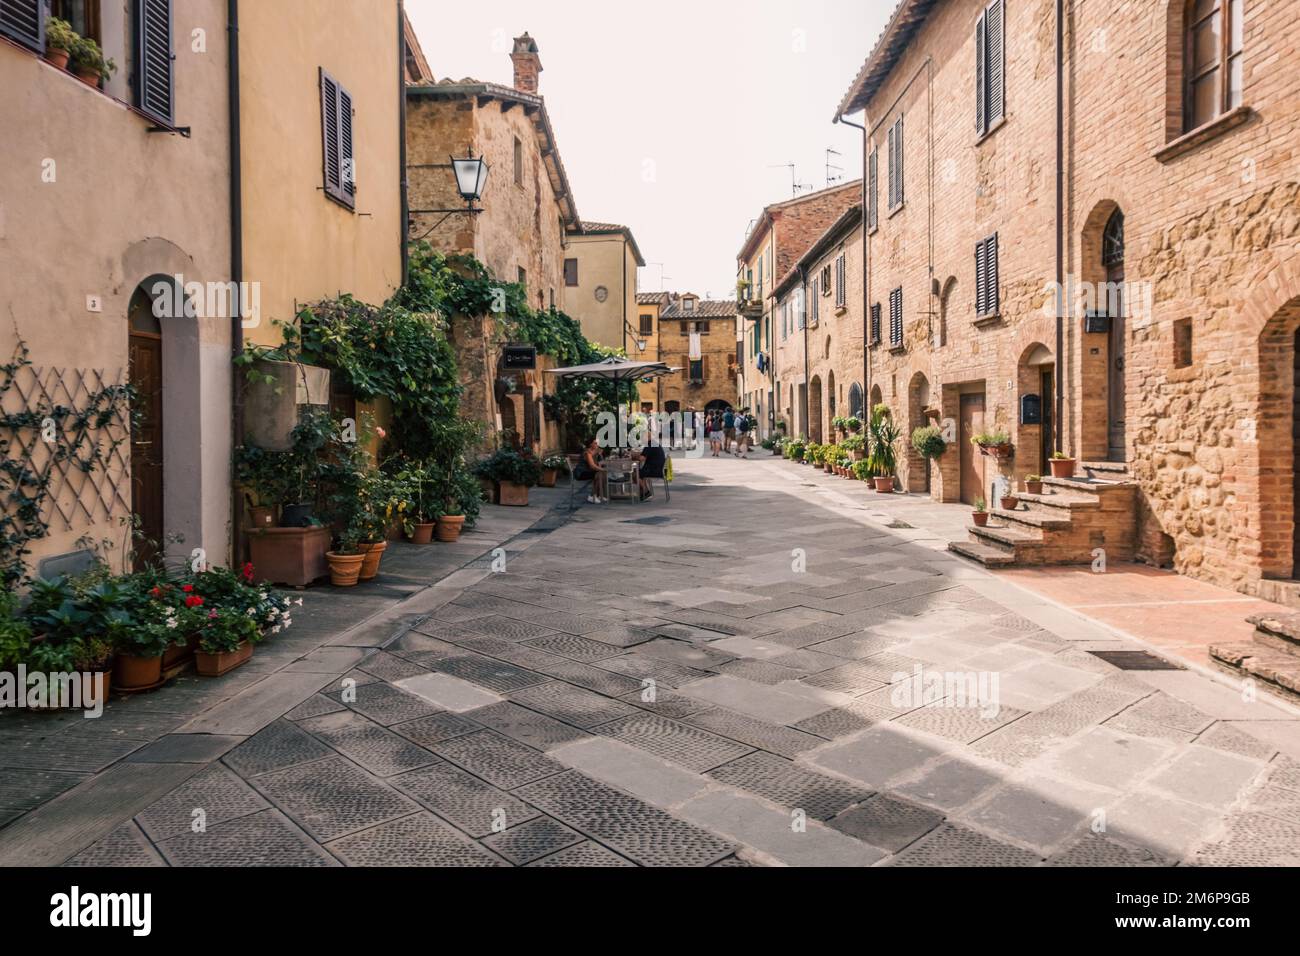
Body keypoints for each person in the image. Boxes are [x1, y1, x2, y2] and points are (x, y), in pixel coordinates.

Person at [574, 437, 607, 504]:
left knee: (603, 474)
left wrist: (599, 454)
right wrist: (603, 470)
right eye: (595, 443)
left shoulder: (595, 452)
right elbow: (592, 466)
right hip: (581, 472)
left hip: (588, 471)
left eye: (597, 443)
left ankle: (599, 495)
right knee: (599, 474)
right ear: (590, 444)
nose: (597, 445)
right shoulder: (587, 452)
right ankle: (592, 496)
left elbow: (601, 463)